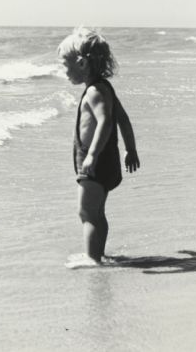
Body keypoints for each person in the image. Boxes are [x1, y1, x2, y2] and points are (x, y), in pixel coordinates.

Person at [58, 27, 140, 266]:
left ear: (82, 64)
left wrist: (92, 155)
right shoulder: (105, 88)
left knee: (87, 212)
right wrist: (130, 149)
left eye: (65, 65)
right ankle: (98, 254)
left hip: (96, 160)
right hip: (105, 158)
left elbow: (106, 121)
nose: (64, 72)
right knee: (96, 212)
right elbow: (122, 119)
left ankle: (92, 259)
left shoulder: (95, 92)